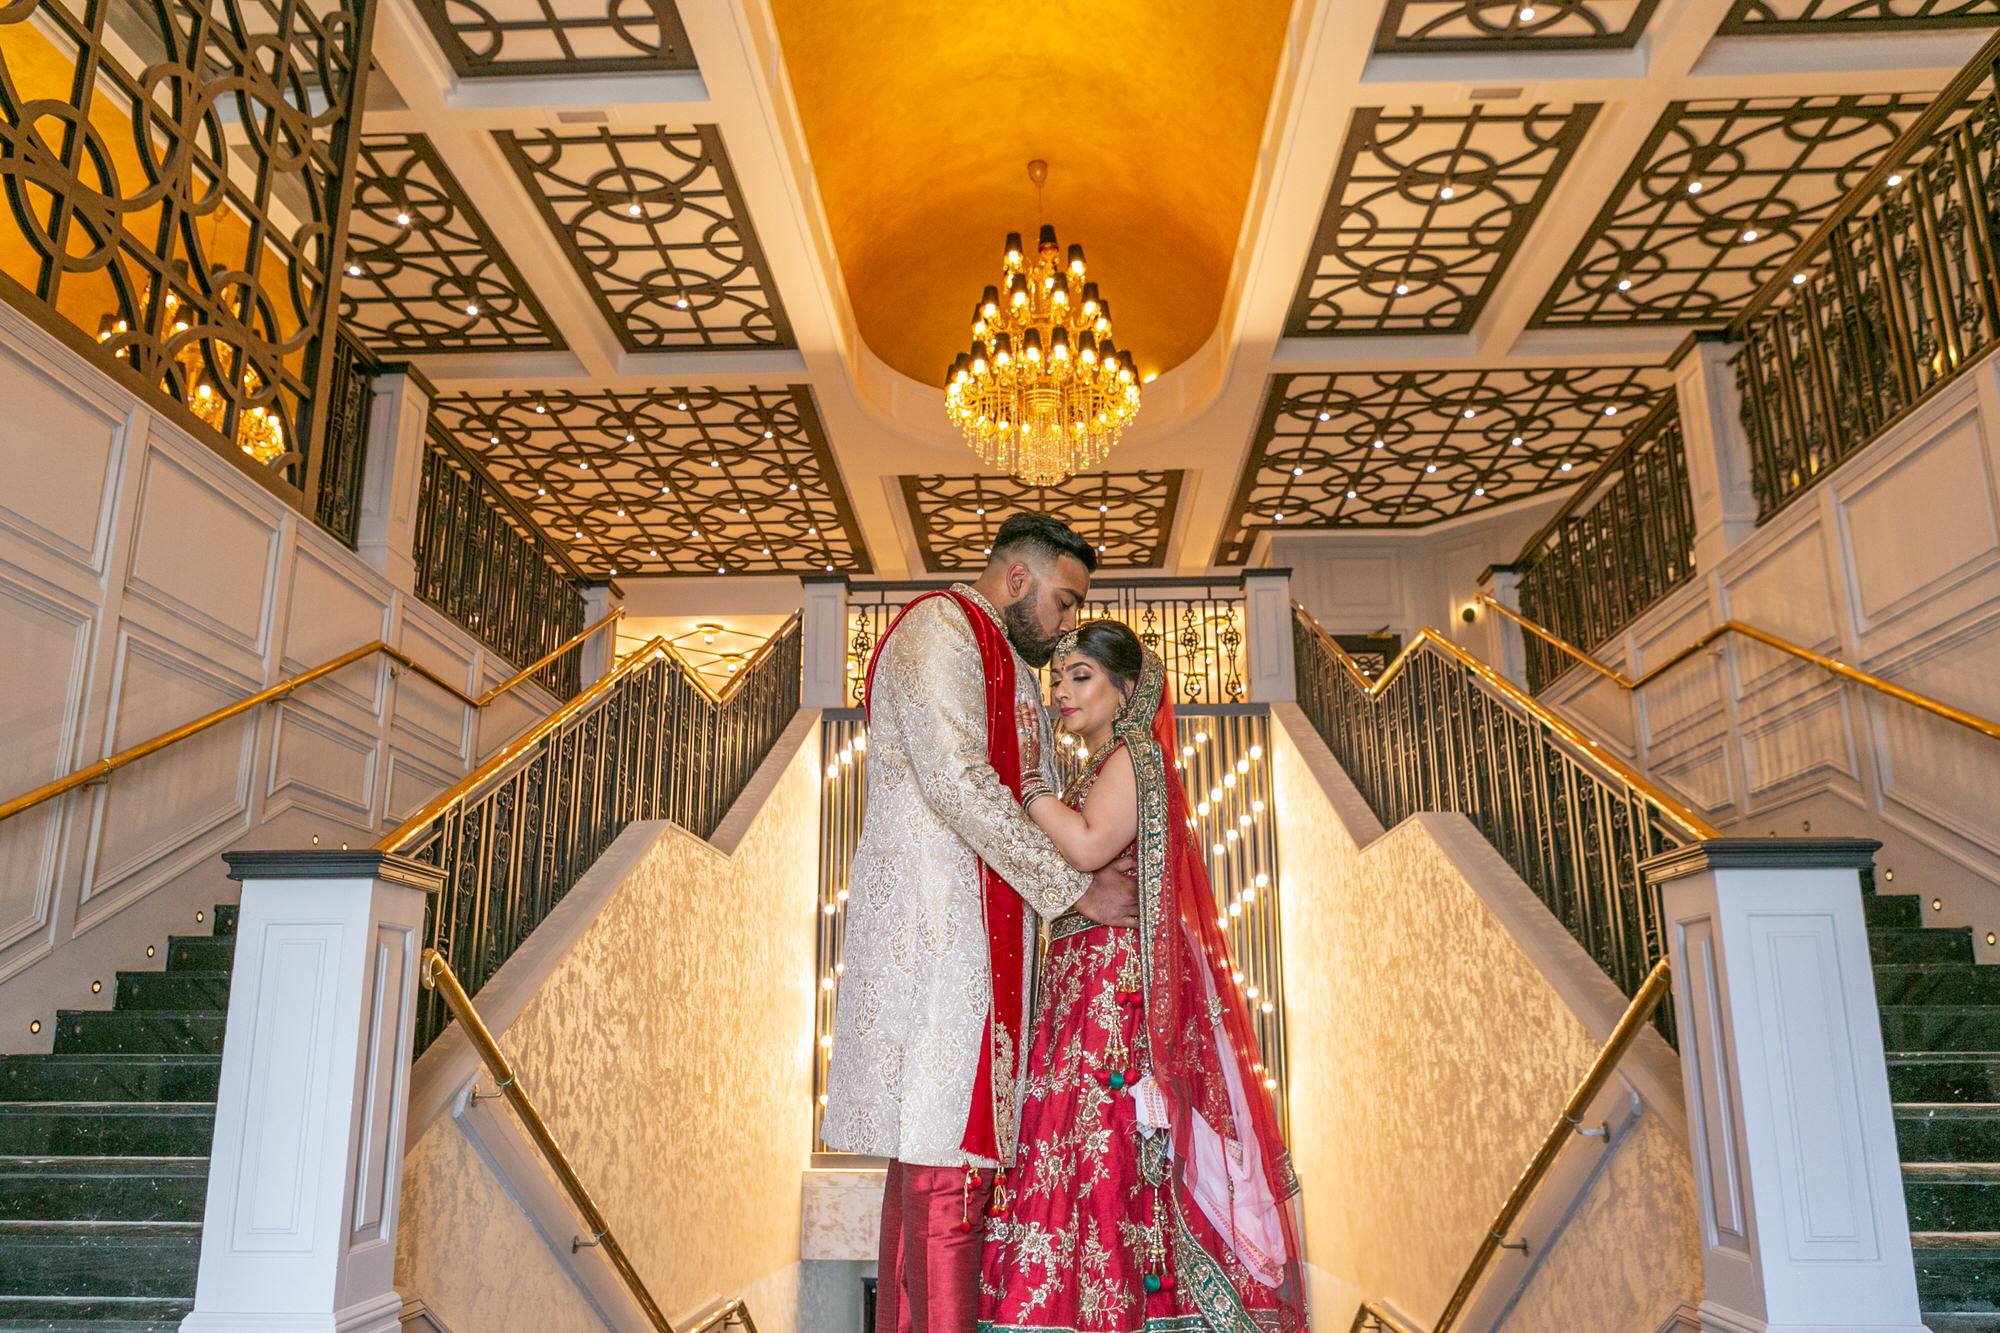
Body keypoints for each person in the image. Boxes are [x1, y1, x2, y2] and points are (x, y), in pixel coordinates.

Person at [822, 514, 1142, 1333]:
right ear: (1019, 581)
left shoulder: (1012, 668)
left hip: (982, 930)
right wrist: (1073, 892)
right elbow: (959, 781)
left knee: (947, 1164)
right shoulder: (938, 630)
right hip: (938, 932)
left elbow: (1026, 786)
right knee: (948, 1173)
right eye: (1066, 603)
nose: (1070, 625)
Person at [980, 620, 1308, 1333]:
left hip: (1109, 991)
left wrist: (1028, 788)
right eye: (1059, 677)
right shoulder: (1101, 764)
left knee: (1101, 1151)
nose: (1063, 691)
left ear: (1125, 691)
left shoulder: (1132, 755)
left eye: (1082, 677)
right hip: (1081, 982)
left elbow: (1092, 842)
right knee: (1075, 1153)